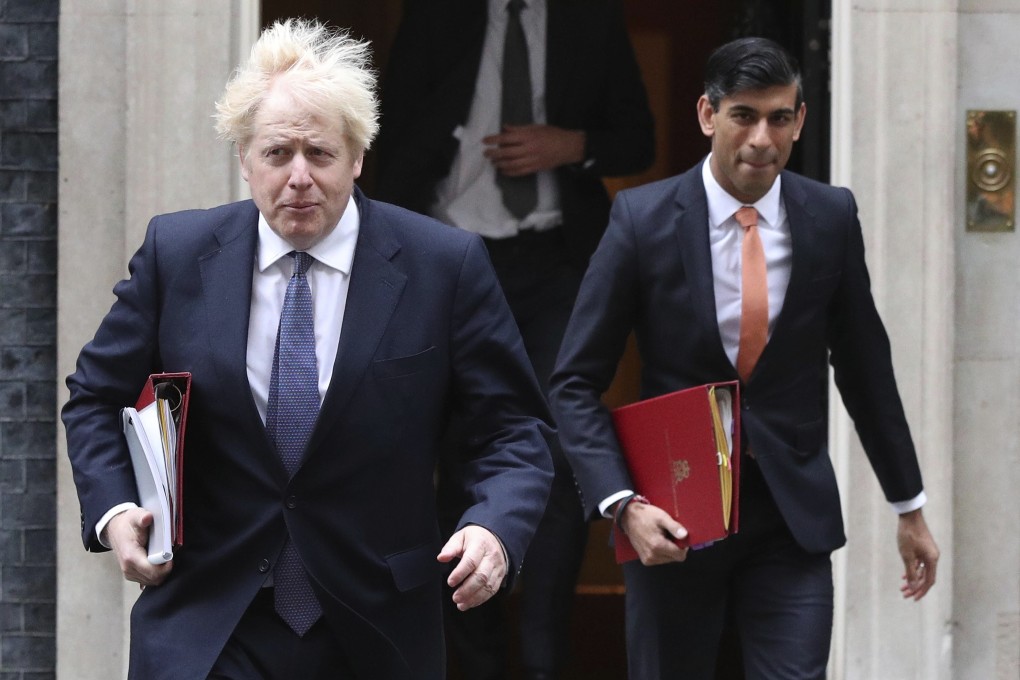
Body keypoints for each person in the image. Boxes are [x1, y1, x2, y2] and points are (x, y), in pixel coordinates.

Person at [61, 19, 554, 680]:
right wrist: (116, 510)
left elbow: (515, 429)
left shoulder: (443, 265)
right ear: (244, 159)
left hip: (376, 627)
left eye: (320, 153)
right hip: (207, 622)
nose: (299, 177)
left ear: (357, 156)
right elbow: (95, 397)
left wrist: (494, 526)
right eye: (277, 153)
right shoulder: (176, 255)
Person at [549, 36, 940, 680]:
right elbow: (572, 382)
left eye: (779, 118)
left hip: (791, 519)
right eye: (744, 116)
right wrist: (622, 504)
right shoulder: (642, 220)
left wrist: (910, 507)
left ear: (800, 121)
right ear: (708, 115)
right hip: (673, 517)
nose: (762, 138)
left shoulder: (830, 216)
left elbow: (866, 369)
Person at [373, 1, 654, 677]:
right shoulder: (437, 15)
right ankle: (475, 662)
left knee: (557, 454)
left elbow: (637, 139)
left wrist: (572, 145)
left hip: (556, 262)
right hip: (450, 258)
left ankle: (544, 659)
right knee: (460, 457)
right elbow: (384, 132)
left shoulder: (589, 18)